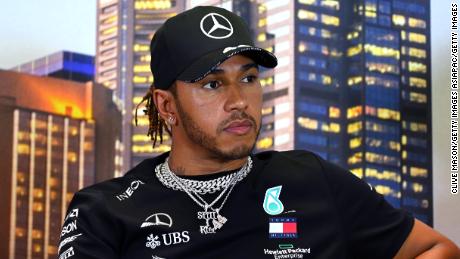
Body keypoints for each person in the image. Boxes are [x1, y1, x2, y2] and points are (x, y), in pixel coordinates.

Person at [57, 5, 460, 259]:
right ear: (167, 106)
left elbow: (436, 248)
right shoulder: (103, 211)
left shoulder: (311, 179)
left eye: (248, 78)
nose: (239, 101)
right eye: (213, 84)